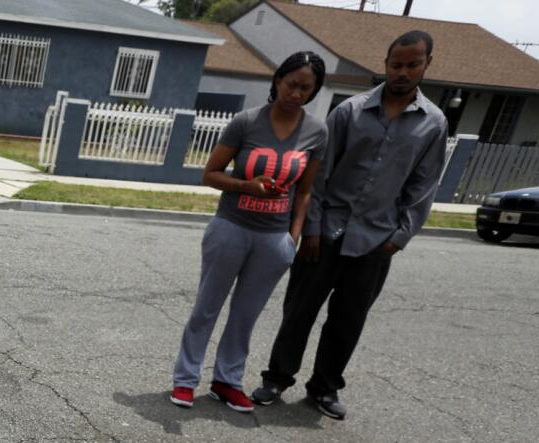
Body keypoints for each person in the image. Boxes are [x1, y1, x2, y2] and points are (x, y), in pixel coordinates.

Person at [253, 30, 448, 420]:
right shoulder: (350, 112)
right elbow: (318, 174)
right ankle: (277, 377)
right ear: (386, 63)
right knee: (299, 310)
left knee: (348, 319)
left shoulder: (433, 124)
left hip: (376, 240)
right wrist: (311, 228)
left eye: (412, 65)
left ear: (428, 64)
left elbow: (423, 185)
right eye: (396, 64)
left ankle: (324, 388)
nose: (402, 72)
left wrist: (399, 236)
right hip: (324, 233)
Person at [171, 51, 328, 413]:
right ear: (277, 81)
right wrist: (247, 186)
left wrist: (294, 237)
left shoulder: (317, 131)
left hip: (274, 240)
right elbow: (210, 175)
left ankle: (226, 381)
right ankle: (185, 380)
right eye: (291, 84)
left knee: (245, 315)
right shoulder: (246, 122)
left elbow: (305, 191)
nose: (297, 93)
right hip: (231, 228)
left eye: (306, 88)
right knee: (206, 309)